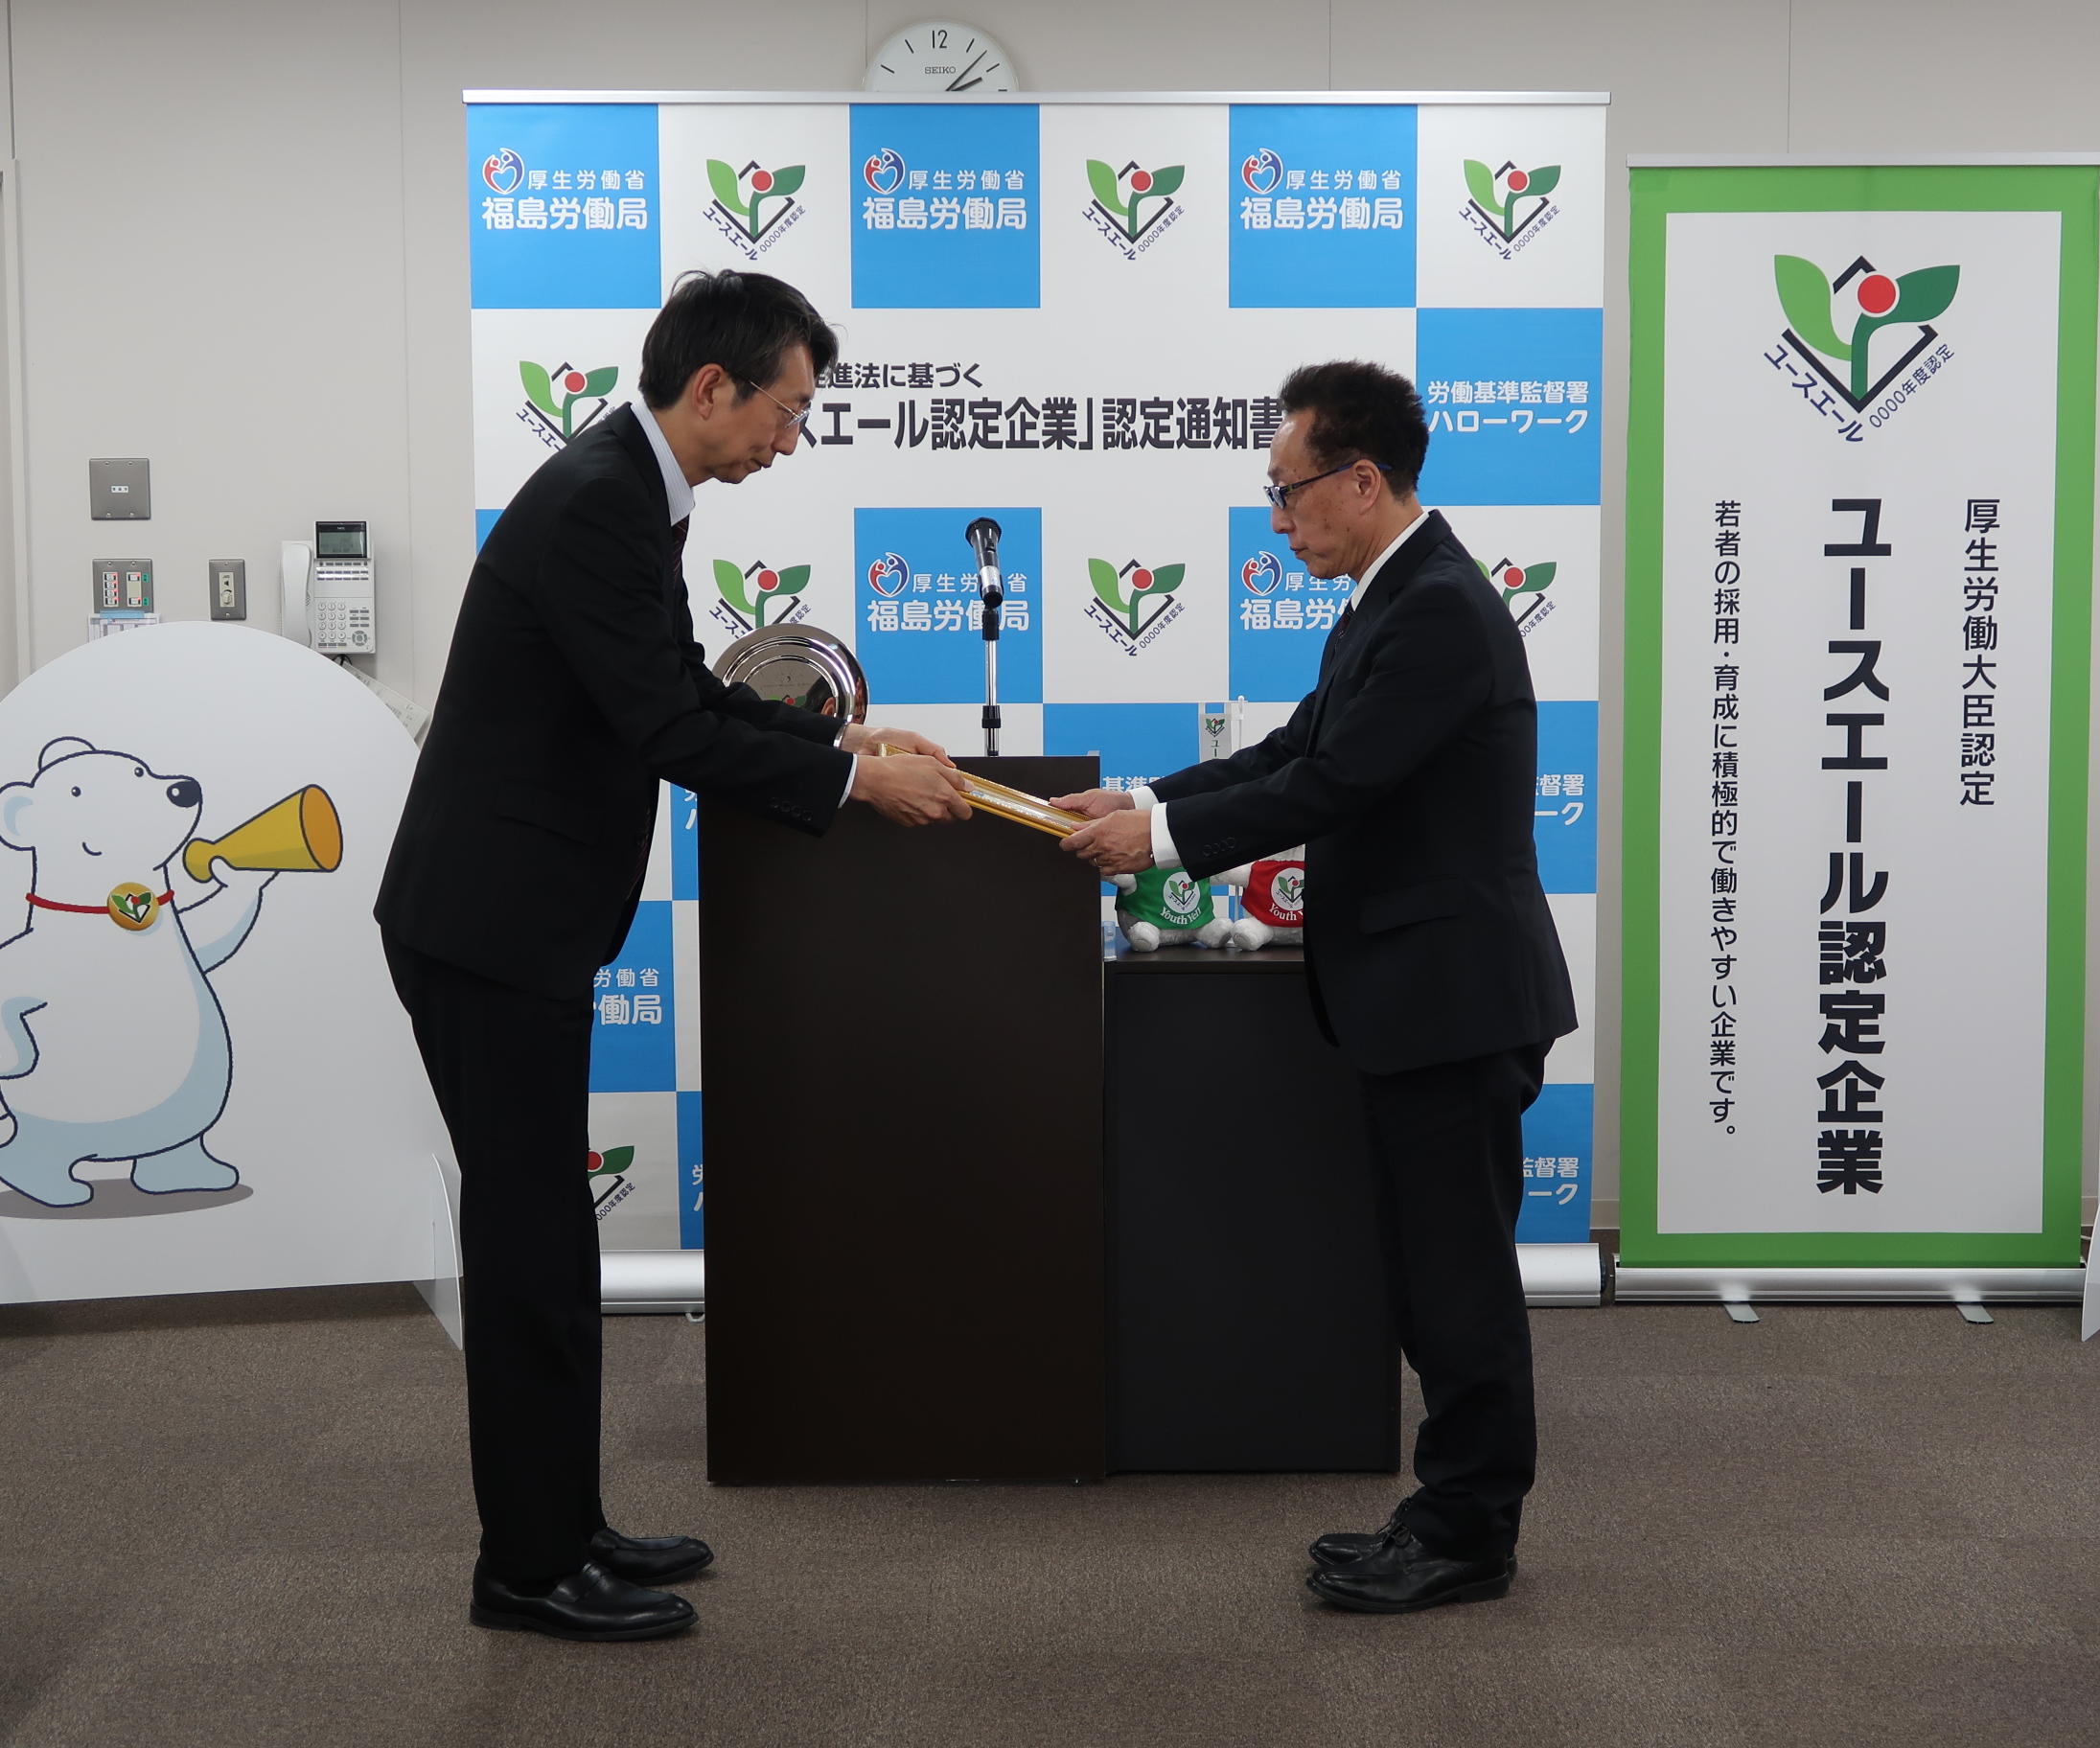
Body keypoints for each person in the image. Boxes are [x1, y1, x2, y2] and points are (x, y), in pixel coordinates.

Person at [376, 269, 969, 1643]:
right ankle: (527, 1570)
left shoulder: (634, 490)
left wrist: (835, 738)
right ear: (712, 387)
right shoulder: (600, 499)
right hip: (488, 925)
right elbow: (669, 734)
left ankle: (566, 1525)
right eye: (788, 410)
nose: (792, 439)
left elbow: (681, 690)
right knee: (529, 1242)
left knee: (548, 1233)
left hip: (515, 920)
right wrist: (853, 788)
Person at [1052, 359, 1574, 1615]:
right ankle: (1445, 1514)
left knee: (1457, 1281)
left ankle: (1468, 1533)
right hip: (1419, 999)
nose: (1279, 521)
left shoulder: (1438, 609)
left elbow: (1336, 786)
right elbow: (1299, 749)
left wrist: (1158, 844)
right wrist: (1147, 796)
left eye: (1288, 493)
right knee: (1426, 1278)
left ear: (1362, 478)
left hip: (1452, 1001)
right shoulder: (1391, 599)